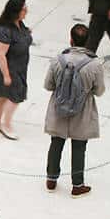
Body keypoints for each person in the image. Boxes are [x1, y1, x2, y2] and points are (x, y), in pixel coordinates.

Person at [44, 23, 105, 198]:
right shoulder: (94, 64)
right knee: (79, 146)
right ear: (87, 41)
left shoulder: (58, 60)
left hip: (59, 108)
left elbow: (48, 85)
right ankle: (77, 185)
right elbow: (99, 91)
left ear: (70, 39)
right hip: (82, 110)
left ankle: (51, 179)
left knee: (56, 143)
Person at [0, 0, 32, 140]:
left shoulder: (19, 25)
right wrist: (6, 75)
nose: (26, 11)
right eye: (23, 9)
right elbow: (1, 55)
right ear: (15, 11)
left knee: (4, 95)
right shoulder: (5, 30)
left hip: (18, 66)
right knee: (16, 96)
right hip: (6, 66)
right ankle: (6, 125)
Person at [85, 0, 110, 72]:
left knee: (93, 36)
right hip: (101, 5)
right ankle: (85, 63)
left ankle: (84, 64)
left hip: (103, 7)